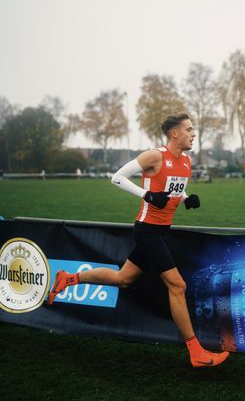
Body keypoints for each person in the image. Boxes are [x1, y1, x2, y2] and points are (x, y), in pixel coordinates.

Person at [47, 112, 229, 369]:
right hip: (147, 230)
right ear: (174, 133)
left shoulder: (186, 161)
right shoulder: (155, 156)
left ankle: (69, 278)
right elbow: (117, 177)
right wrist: (147, 195)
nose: (193, 134)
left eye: (193, 129)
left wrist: (187, 198)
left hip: (163, 230)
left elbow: (175, 185)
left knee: (123, 279)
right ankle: (196, 351)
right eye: (188, 129)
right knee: (177, 286)